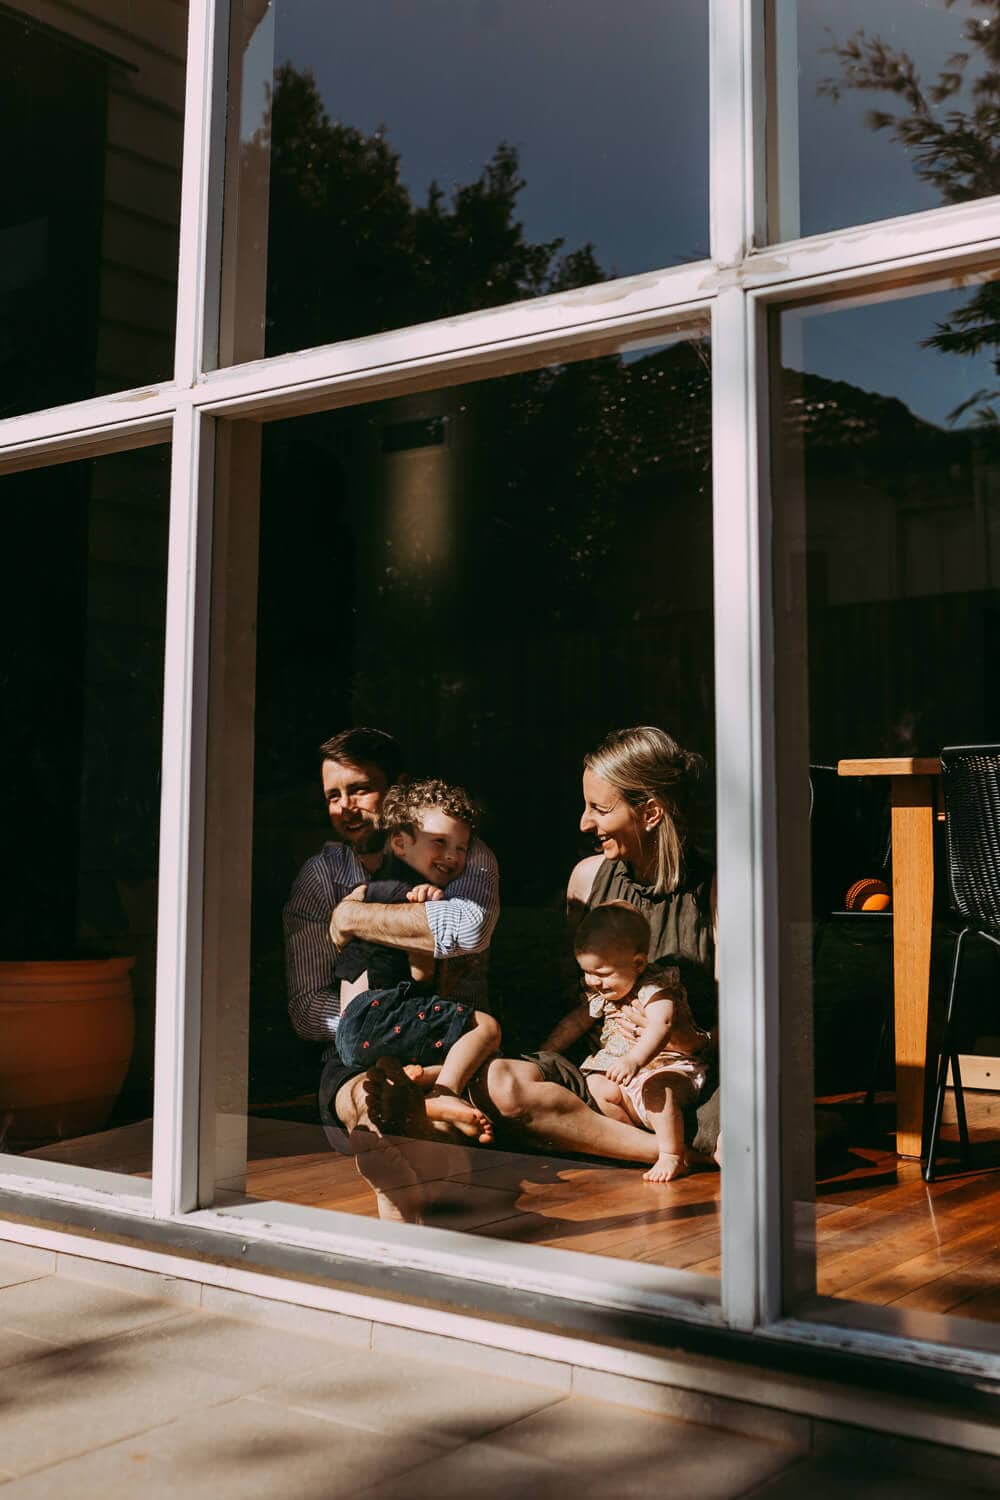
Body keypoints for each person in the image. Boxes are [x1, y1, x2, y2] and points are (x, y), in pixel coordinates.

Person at [472, 725, 720, 1166]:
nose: (584, 823)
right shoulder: (587, 879)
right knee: (499, 1084)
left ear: (650, 813)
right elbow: (580, 998)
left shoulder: (714, 892)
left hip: (683, 1080)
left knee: (749, 1140)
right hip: (605, 1072)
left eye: (599, 809)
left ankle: (613, 1136)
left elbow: (748, 1031)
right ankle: (670, 1152)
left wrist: (689, 1039)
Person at [282, 727, 499, 1155]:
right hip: (358, 1059)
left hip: (455, 1047)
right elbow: (306, 1010)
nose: (347, 808)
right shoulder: (322, 875)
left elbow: (468, 929)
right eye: (333, 796)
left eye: (360, 790)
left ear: (396, 789)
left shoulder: (454, 851)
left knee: (449, 1130)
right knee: (372, 1106)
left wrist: (353, 915)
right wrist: (387, 1024)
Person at [333, 779, 500, 1143]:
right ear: (400, 842)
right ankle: (443, 1093)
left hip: (351, 1030)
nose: (453, 857)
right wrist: (429, 912)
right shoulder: (409, 897)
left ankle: (418, 1089)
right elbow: (420, 972)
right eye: (439, 842)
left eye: (461, 847)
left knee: (457, 1057)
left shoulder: (369, 893)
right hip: (378, 1014)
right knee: (484, 1030)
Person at [545, 903, 710, 1182]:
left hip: (668, 1068)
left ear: (638, 963)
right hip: (627, 1075)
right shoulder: (601, 991)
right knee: (595, 1087)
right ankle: (644, 1144)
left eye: (602, 973)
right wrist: (548, 1050)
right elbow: (574, 1022)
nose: (593, 981)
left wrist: (634, 1059)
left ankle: (672, 1155)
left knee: (658, 1088)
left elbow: (663, 1024)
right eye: (586, 972)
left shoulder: (654, 987)